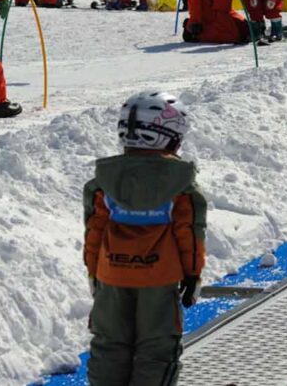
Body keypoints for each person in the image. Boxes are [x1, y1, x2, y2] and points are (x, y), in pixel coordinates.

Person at [83, 90, 207, 385]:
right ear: (168, 135)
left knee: (109, 345)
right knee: (157, 348)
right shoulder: (182, 187)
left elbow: (94, 233)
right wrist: (192, 275)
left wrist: (94, 273)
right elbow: (189, 233)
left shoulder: (103, 183)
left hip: (112, 276)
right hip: (159, 281)